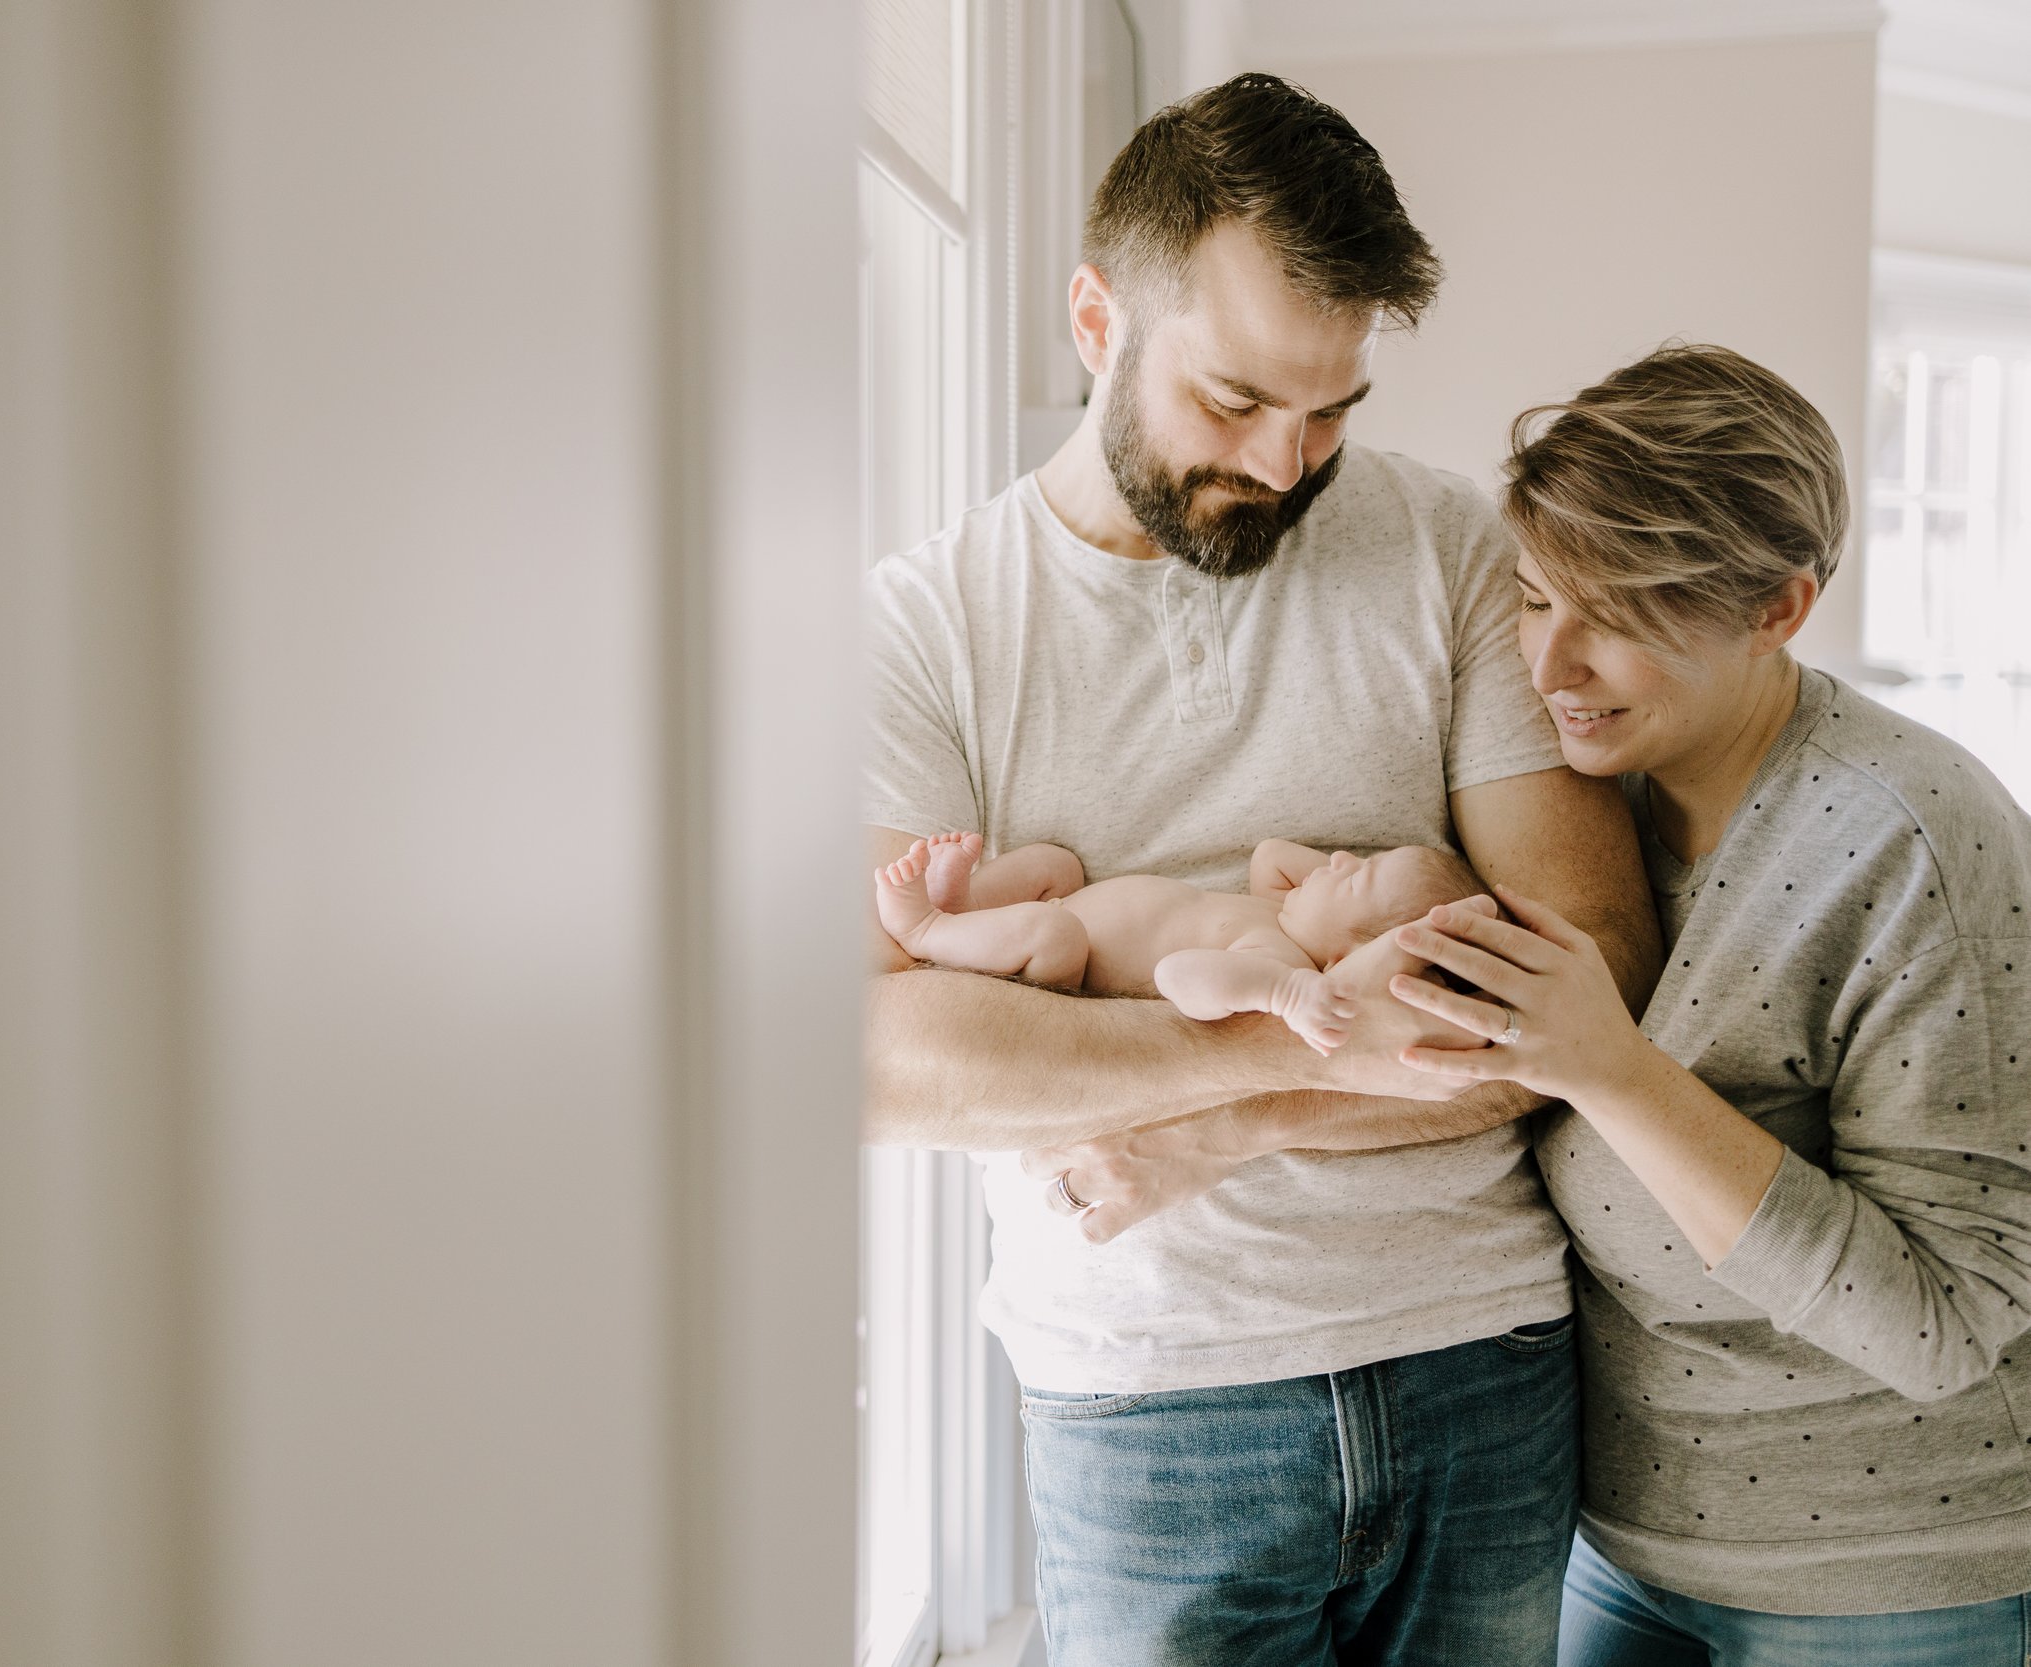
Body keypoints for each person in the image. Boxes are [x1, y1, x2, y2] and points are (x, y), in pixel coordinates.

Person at [863, 74, 1661, 1665]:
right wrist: (1301, 1039)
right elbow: (889, 1053)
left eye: (1334, 409)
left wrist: (1218, 1124)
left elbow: (1592, 961)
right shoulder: (926, 625)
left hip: (1481, 1353)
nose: (1291, 462)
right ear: (1097, 319)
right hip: (1148, 1398)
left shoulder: (1450, 549)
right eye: (1233, 401)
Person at [1370, 345, 2031, 1661]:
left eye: (1617, 613)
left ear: (1781, 607)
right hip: (1617, 1545)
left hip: (1889, 1580)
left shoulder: (1910, 835)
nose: (1552, 660)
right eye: (1536, 595)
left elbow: (1950, 1316)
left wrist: (1614, 1070)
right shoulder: (1574, 806)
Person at [875, 831, 1492, 1056]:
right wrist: (1339, 895)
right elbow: (1271, 853)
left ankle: (925, 929)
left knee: (1052, 927)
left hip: (1058, 965)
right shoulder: (1280, 909)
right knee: (1053, 862)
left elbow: (1178, 979)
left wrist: (1287, 991)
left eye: (1356, 875)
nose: (1336, 858)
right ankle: (965, 910)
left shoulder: (1277, 963)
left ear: (1340, 959)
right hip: (1055, 910)